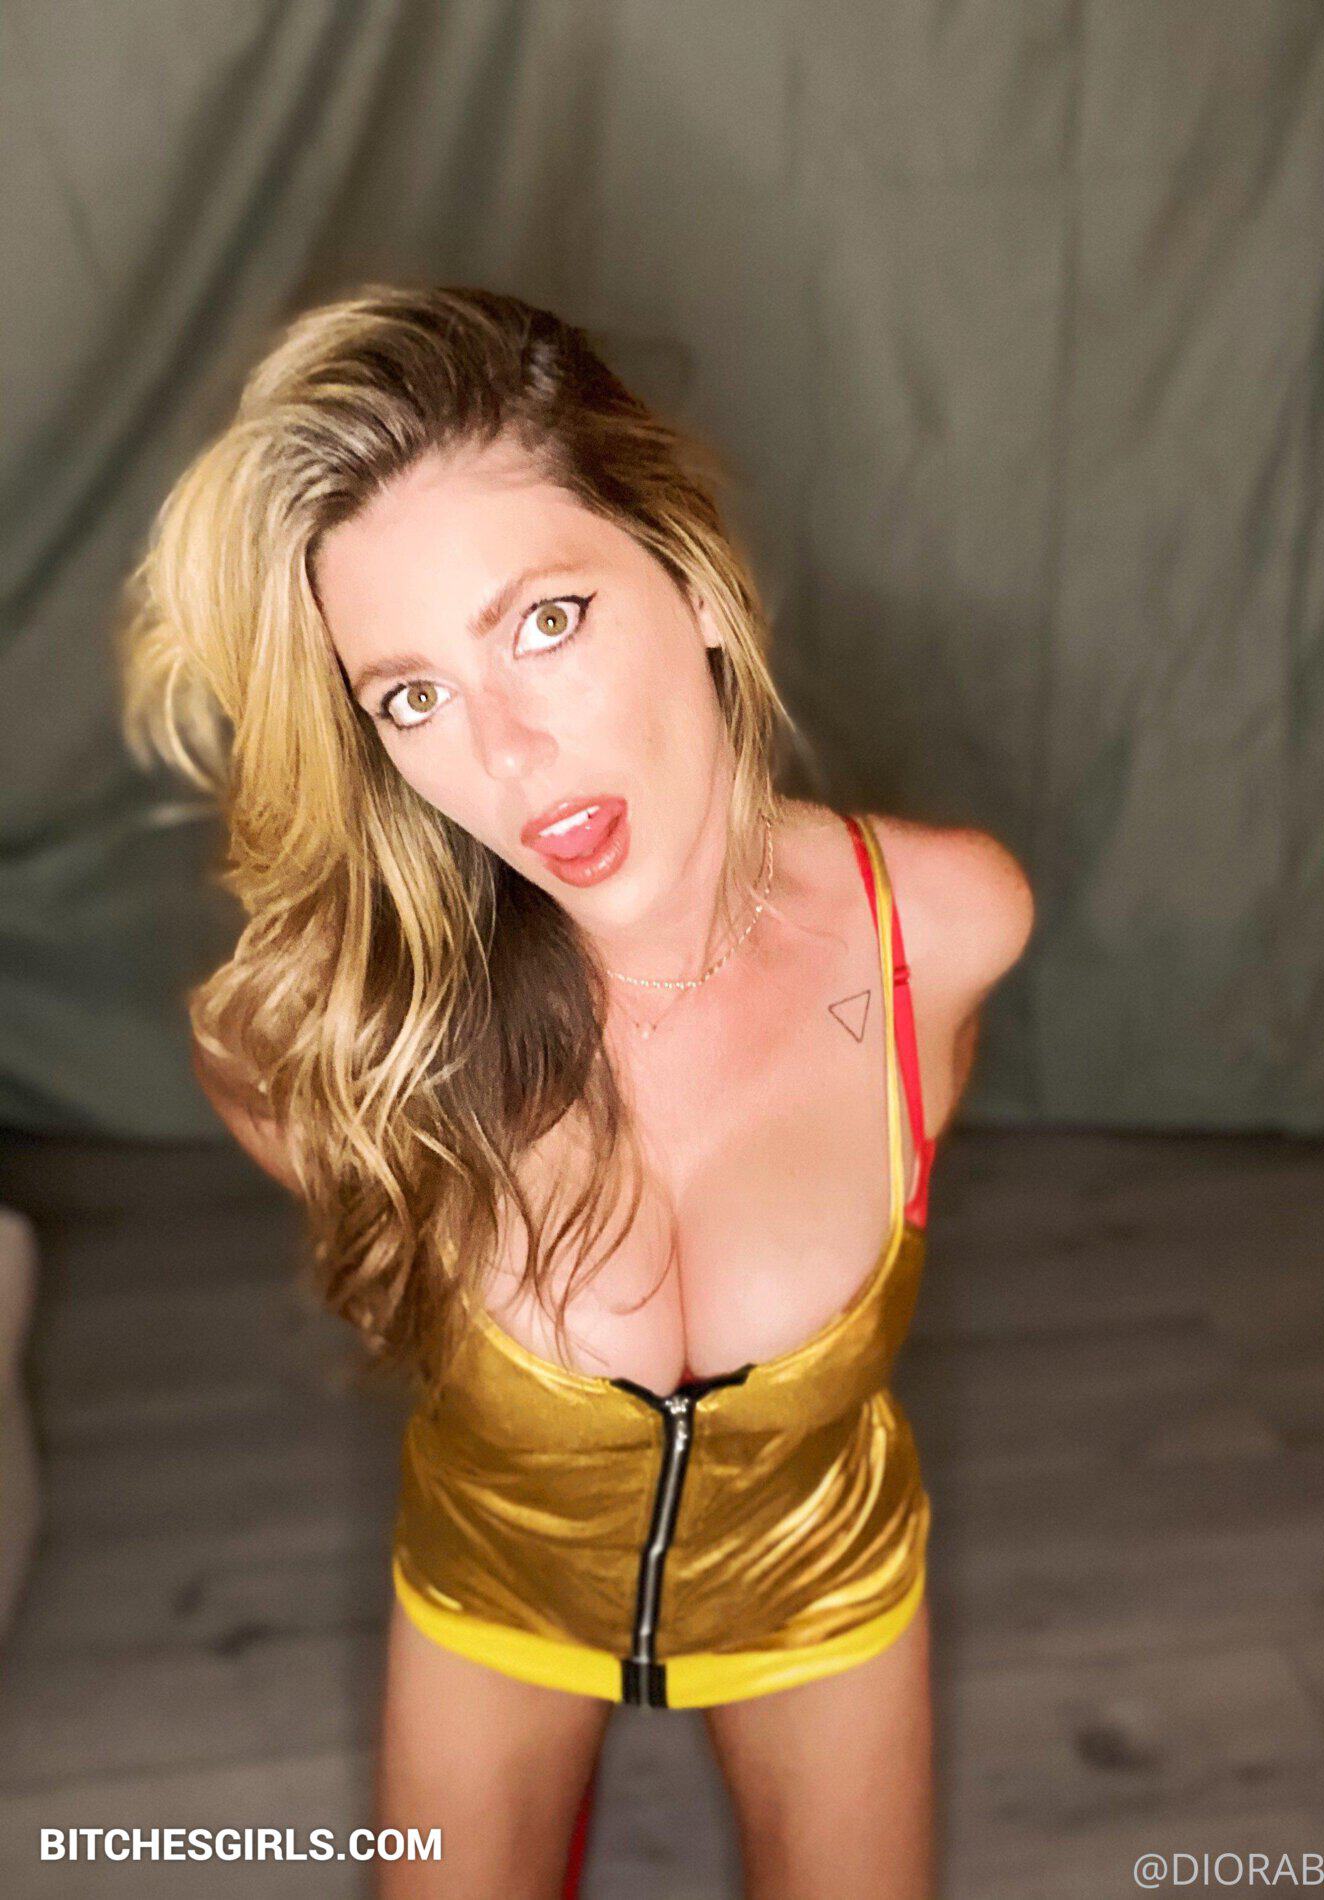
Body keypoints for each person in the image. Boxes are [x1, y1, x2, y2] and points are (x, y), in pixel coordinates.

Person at [118, 284, 1033, 1900]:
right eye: (410, 696)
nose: (510, 754)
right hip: (493, 1598)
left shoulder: (943, 927)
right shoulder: (350, 1031)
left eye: (543, 622)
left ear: (688, 576)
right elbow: (255, 1070)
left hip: (821, 1591)